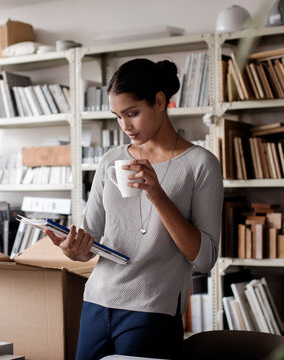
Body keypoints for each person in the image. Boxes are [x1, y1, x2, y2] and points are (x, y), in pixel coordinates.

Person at [45, 58, 223, 359]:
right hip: (96, 302)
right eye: (117, 116)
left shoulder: (200, 164)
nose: (125, 126)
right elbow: (93, 235)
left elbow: (205, 258)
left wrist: (157, 194)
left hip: (153, 310)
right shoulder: (111, 160)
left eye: (132, 113)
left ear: (160, 101)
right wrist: (76, 250)